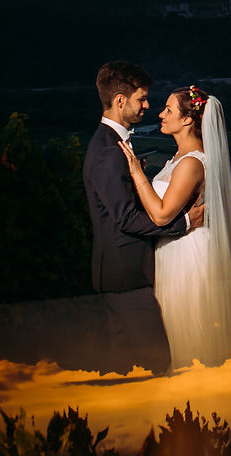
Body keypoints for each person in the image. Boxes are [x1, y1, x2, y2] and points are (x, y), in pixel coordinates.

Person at [118, 84, 231, 368]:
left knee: (189, 334)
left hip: (186, 256)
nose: (160, 114)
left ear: (187, 119)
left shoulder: (192, 163)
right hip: (174, 249)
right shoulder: (180, 158)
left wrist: (136, 174)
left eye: (168, 109)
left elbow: (161, 215)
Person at [83, 60, 203, 374]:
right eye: (142, 99)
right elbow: (126, 219)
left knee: (125, 367)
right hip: (127, 277)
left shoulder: (112, 144)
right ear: (120, 101)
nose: (148, 106)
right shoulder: (110, 151)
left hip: (121, 274)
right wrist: (186, 223)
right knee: (158, 364)